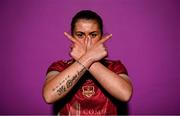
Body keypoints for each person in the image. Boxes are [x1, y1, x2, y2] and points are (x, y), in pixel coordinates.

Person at [43, 10, 133, 115]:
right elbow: (49, 96)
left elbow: (125, 95)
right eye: (80, 35)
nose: (87, 41)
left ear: (101, 37)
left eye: (93, 35)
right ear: (72, 36)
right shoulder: (60, 66)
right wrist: (88, 57)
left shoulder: (115, 66)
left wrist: (86, 58)